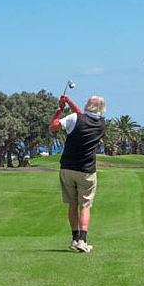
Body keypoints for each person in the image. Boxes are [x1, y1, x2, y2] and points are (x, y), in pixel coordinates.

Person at [48, 95, 106, 252]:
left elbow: (53, 126)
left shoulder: (75, 118)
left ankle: (74, 239)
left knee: (72, 204)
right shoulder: (101, 124)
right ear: (102, 109)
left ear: (87, 105)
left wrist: (59, 109)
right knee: (85, 206)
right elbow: (80, 116)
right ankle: (82, 240)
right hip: (86, 171)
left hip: (67, 168)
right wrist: (69, 102)